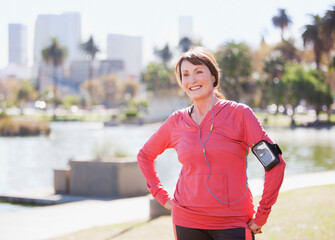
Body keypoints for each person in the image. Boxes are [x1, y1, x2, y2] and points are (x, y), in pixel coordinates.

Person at [137, 46, 286, 240]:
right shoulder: (176, 121)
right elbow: (145, 156)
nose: (192, 80)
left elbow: (275, 163)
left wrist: (262, 215)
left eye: (199, 71)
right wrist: (161, 196)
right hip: (186, 220)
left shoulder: (239, 115)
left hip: (233, 222)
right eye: (186, 74)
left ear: (213, 77)